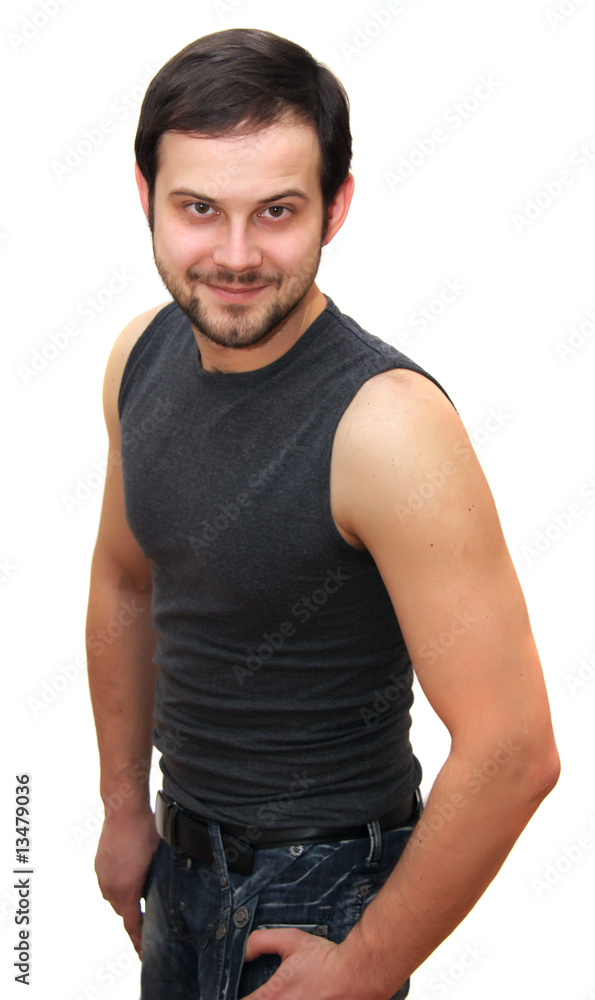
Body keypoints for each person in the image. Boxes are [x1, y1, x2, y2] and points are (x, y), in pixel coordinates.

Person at [86, 27, 560, 1000]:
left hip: (323, 892)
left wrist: (366, 965)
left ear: (335, 206)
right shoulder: (139, 357)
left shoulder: (387, 425)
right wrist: (124, 806)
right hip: (179, 859)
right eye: (198, 209)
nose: (234, 254)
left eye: (277, 211)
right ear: (146, 196)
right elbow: (125, 580)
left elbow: (513, 748)